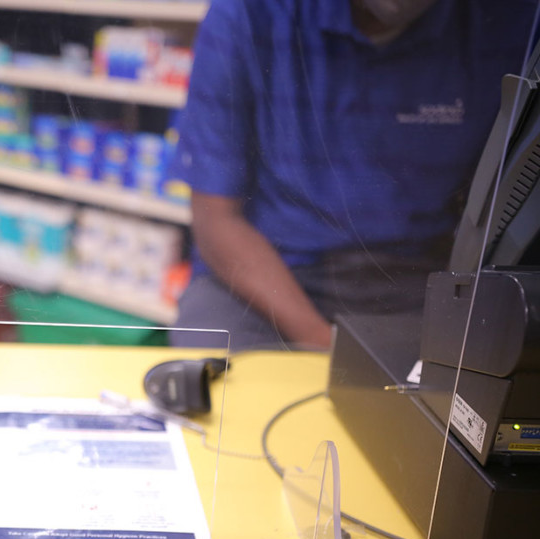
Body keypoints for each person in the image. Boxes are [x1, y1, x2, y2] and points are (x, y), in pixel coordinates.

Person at [169, 0, 538, 350]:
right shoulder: (250, 12)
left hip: (421, 283)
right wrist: (324, 344)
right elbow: (216, 223)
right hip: (268, 281)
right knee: (223, 394)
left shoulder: (511, 21)